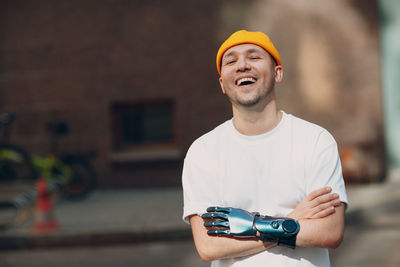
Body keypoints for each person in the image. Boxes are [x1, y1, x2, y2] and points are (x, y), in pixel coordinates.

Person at [182, 30, 348, 267]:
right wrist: (292, 221)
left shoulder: (315, 140)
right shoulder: (203, 152)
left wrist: (248, 227)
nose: (242, 66)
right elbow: (209, 246)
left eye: (254, 57)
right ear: (222, 83)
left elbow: (330, 232)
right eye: (231, 61)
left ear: (277, 73)